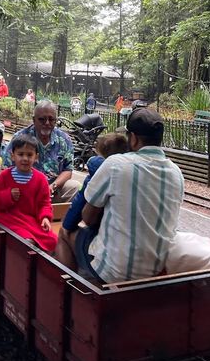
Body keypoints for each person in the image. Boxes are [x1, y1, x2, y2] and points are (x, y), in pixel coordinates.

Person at [68, 108, 184, 283]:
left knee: (65, 233)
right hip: (156, 271)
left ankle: (72, 290)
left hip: (112, 272)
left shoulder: (116, 165)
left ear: (134, 138)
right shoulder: (176, 173)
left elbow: (88, 217)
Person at [55, 133, 129, 270]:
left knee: (63, 233)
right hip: (124, 236)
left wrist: (67, 225)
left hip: (104, 238)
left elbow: (80, 205)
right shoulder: (131, 171)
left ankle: (68, 283)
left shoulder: (98, 172)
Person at [0, 135, 57, 252]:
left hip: (31, 220)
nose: (25, 158)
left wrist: (45, 217)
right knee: (26, 240)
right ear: (13, 156)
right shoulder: (4, 176)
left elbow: (44, 203)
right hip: (10, 218)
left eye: (29, 155)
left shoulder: (41, 179)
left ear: (36, 157)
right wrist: (8, 195)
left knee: (53, 240)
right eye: (20, 154)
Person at [3, 100, 78, 202]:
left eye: (51, 119)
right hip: (24, 187)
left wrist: (52, 186)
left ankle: (60, 216)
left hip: (53, 189)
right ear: (34, 120)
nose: (47, 123)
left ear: (55, 121)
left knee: (74, 187)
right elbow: (7, 167)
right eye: (42, 119)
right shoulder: (20, 137)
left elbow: (68, 170)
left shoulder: (64, 139)